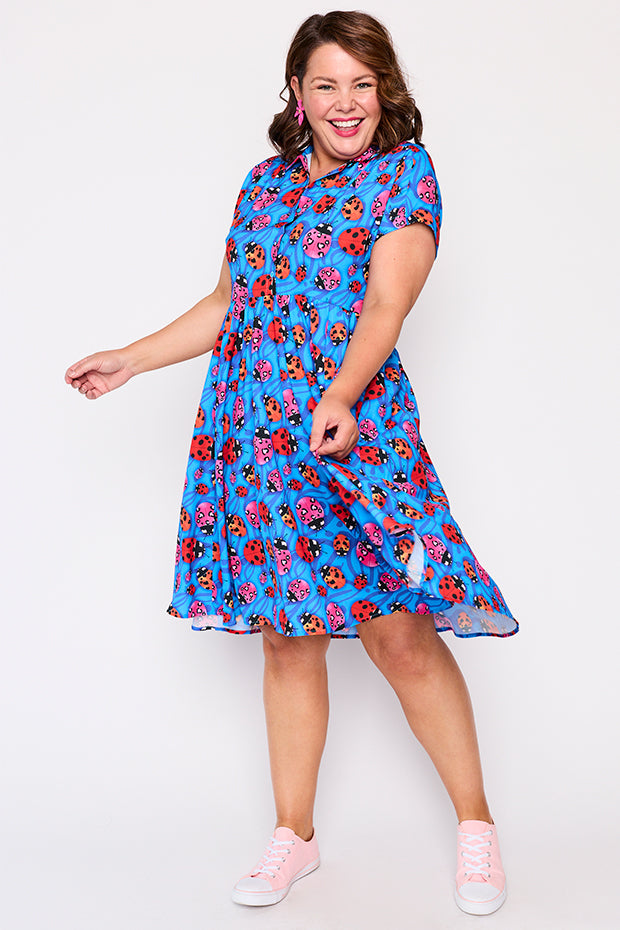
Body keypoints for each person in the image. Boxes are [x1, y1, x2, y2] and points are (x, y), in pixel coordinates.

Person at [65, 10, 517, 917]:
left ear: (384, 90)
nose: (346, 102)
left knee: (399, 633)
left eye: (362, 84)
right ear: (297, 94)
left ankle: (476, 828)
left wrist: (341, 394)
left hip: (352, 431)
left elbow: (387, 304)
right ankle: (294, 838)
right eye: (326, 84)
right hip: (256, 434)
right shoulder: (264, 184)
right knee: (287, 635)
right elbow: (229, 302)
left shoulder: (404, 175)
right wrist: (132, 358)